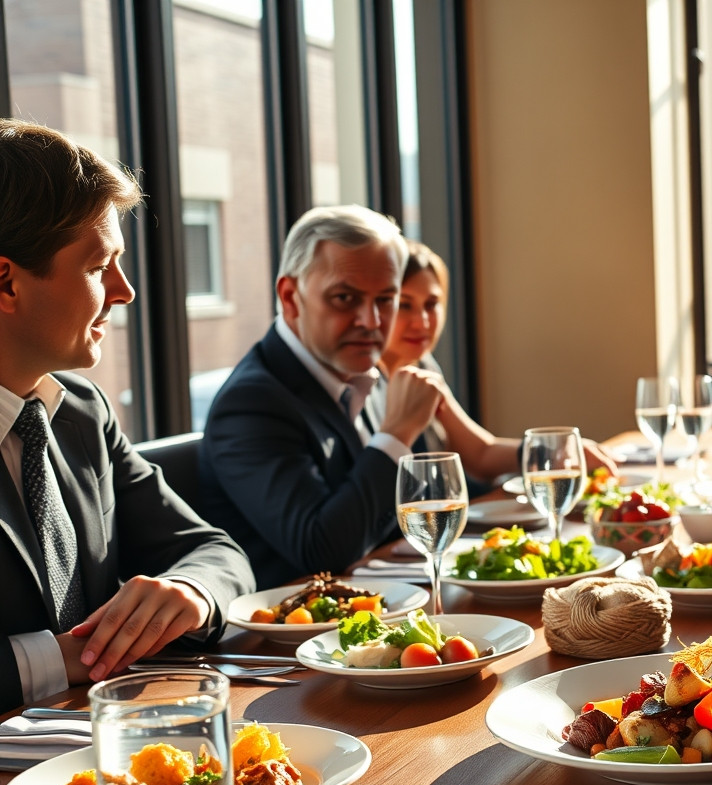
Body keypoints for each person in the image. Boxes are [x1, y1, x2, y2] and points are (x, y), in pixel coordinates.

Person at [0, 120, 254, 709]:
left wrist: (188, 590)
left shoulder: (81, 413)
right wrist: (60, 657)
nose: (125, 291)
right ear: (6, 281)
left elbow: (217, 552)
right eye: (97, 267)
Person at [198, 206, 445, 589]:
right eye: (345, 298)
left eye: (385, 299)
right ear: (290, 297)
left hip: (380, 603)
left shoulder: (365, 376)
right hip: (285, 637)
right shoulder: (251, 403)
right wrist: (396, 434)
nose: (372, 322)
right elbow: (321, 551)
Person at [377, 241, 617, 483]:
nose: (423, 322)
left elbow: (480, 454)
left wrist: (557, 451)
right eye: (404, 305)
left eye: (431, 304)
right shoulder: (363, 386)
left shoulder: (422, 367)